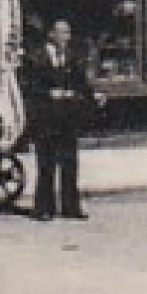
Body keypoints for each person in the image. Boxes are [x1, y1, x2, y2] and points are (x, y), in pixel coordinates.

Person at [20, 16, 102, 221]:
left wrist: (93, 96)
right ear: (51, 34)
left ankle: (70, 206)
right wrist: (48, 94)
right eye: (62, 32)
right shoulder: (36, 58)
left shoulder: (72, 57)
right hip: (46, 117)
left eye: (68, 32)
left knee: (69, 162)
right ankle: (44, 208)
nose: (66, 37)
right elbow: (28, 87)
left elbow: (80, 82)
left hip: (67, 116)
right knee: (46, 163)